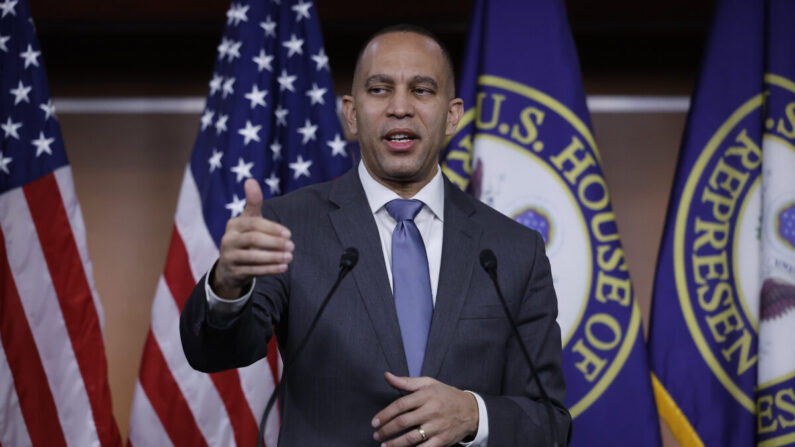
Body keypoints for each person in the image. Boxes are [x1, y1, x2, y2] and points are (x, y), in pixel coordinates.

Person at [180, 24, 571, 446]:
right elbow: (217, 352)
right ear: (350, 113)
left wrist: (473, 413)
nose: (400, 108)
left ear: (453, 115)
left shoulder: (514, 250)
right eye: (380, 90)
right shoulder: (289, 225)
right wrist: (228, 283)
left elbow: (550, 422)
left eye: (422, 91)